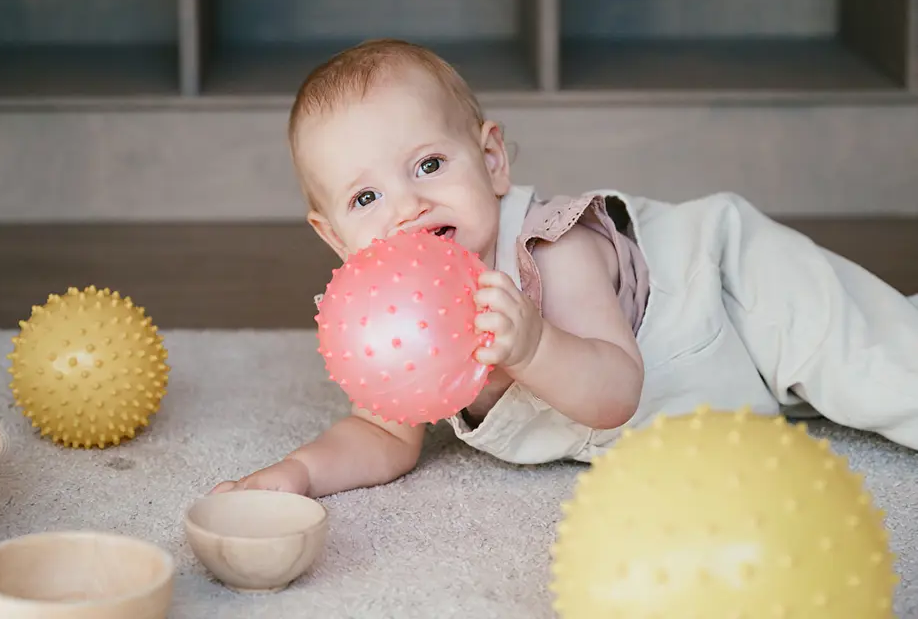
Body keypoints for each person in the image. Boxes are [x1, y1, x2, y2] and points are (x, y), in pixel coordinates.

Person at [210, 39, 918, 499]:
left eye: (429, 164)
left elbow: (613, 392)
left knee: (879, 370)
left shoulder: (549, 246)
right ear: (334, 239)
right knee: (816, 398)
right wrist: (296, 476)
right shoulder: (398, 326)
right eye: (367, 198)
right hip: (709, 398)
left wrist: (533, 347)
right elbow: (381, 436)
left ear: (491, 161)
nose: (409, 206)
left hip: (735, 290)